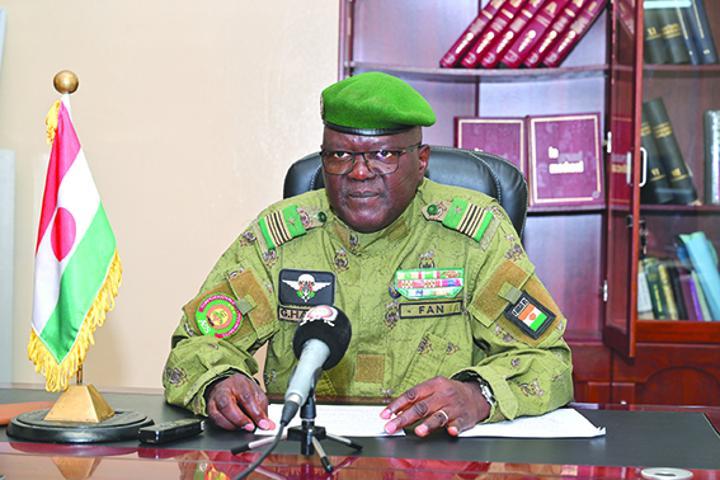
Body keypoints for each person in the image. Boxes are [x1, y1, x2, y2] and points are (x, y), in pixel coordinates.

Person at [163, 71, 573, 437]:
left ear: (422, 161)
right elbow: (194, 346)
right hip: (304, 455)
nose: (359, 173)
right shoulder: (280, 236)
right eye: (340, 155)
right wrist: (220, 381)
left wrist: (477, 394)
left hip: (433, 457)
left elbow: (548, 361)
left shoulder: (474, 233)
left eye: (383, 155)